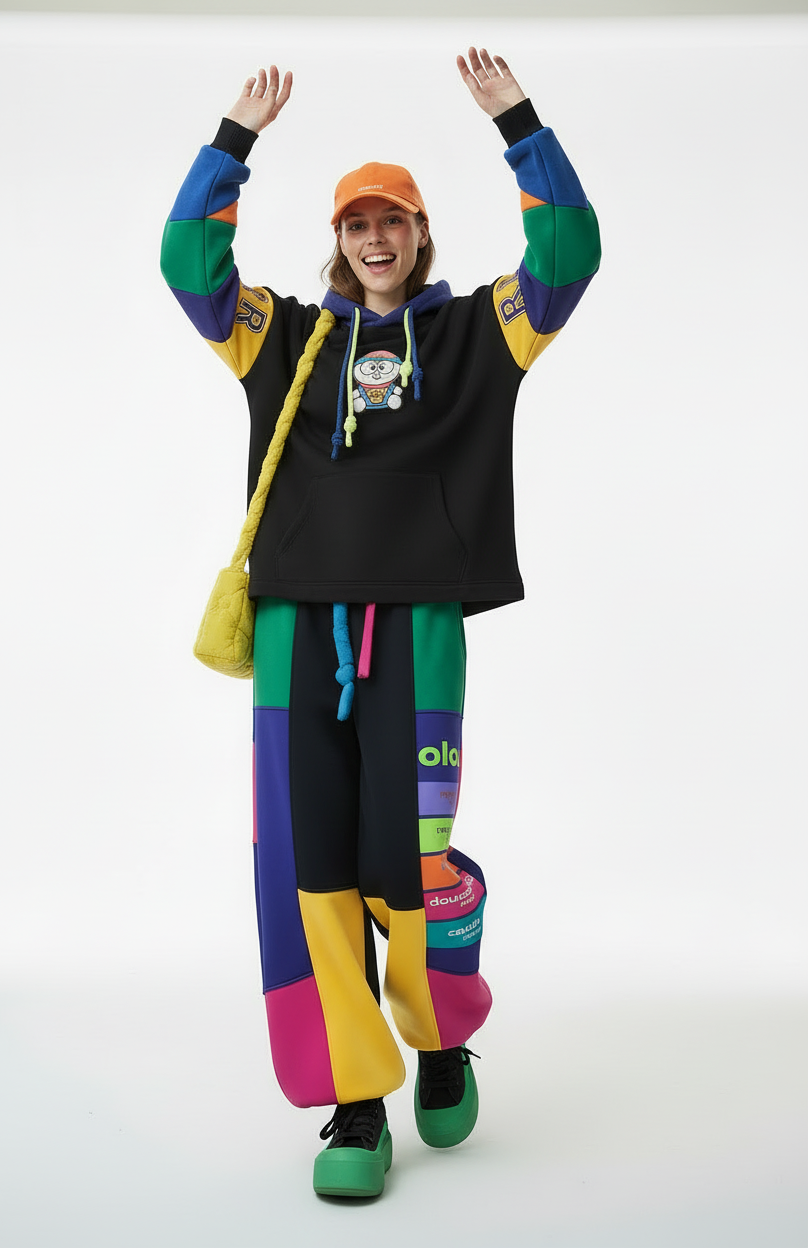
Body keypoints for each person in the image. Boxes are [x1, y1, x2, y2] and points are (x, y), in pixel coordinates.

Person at [161, 48, 600, 1199]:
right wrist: (232, 140)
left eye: (391, 221)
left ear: (418, 234)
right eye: (356, 223)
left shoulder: (479, 335)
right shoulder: (281, 335)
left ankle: (441, 1033)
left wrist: (518, 123)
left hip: (417, 631)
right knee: (309, 864)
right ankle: (356, 1101)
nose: (374, 238)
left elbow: (568, 252)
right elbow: (187, 261)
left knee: (410, 858)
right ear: (337, 239)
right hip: (296, 634)